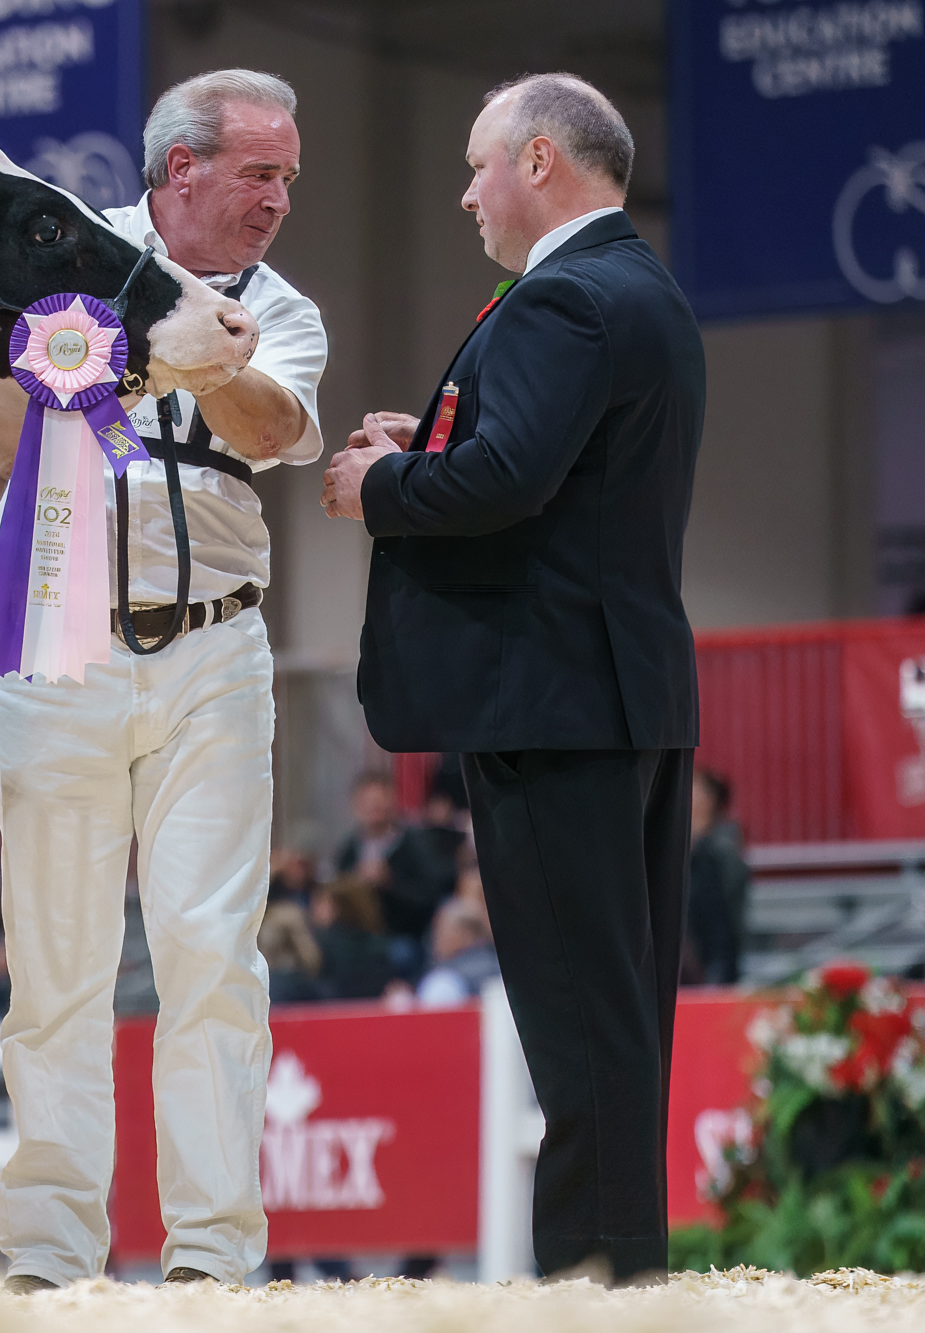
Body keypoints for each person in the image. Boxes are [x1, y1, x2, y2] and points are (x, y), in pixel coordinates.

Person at [322, 73, 705, 1283]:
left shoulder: (562, 297)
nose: (464, 193)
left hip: (551, 701)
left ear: (538, 160)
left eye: (477, 165)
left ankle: (594, 1284)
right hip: (621, 689)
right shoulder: (638, 286)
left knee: (579, 1023)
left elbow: (505, 482)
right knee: (616, 1018)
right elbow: (548, 471)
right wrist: (431, 446)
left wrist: (377, 488)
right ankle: (623, 1277)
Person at [0, 68, 327, 1292]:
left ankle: (211, 1262)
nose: (277, 198)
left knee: (210, 957)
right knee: (53, 967)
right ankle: (48, 1256)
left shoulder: (281, 308)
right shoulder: (63, 258)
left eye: (287, 177)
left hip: (215, 655)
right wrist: (149, 325)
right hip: (55, 640)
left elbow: (272, 429)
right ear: (182, 168)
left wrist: (184, 341)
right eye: (258, 172)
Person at [333, 771, 459, 977]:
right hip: (358, 937)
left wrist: (390, 884)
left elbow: (431, 895)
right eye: (368, 803)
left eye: (379, 803)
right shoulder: (348, 849)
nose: (374, 809)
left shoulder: (415, 844)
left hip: (404, 935)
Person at [683, 770, 749, 985]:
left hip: (715, 961)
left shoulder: (721, 848)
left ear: (709, 798)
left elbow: (725, 919)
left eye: (694, 788)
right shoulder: (677, 843)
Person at [414, 898, 501, 1007]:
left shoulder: (444, 980)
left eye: (442, 930)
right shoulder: (501, 965)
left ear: (466, 935)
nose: (435, 939)